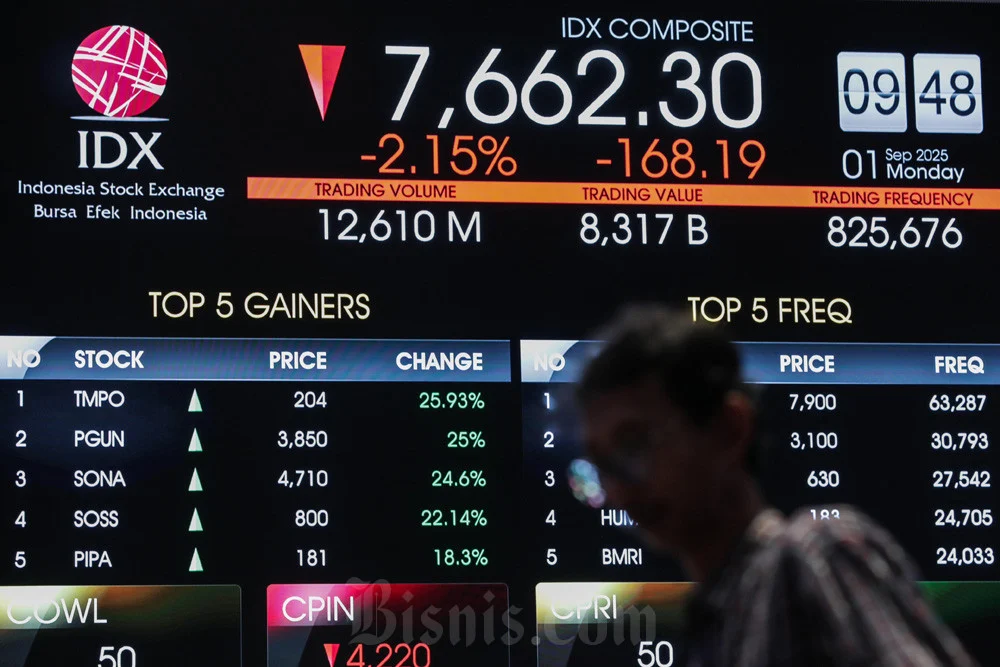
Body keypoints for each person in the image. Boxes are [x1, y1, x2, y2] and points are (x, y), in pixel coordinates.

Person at [575, 304, 977, 666]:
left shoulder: (813, 557)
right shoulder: (712, 625)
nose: (619, 490)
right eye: (602, 464)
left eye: (635, 445)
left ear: (730, 429)